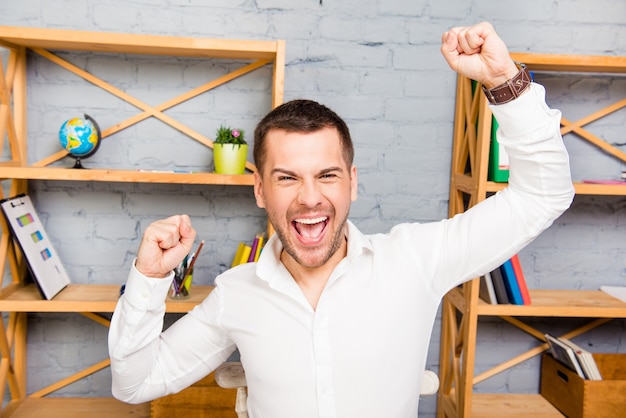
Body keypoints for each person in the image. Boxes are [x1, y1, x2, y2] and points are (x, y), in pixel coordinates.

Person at [109, 22, 574, 417]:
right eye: (287, 177)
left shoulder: (414, 259)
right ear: (259, 189)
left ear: (352, 182)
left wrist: (504, 82)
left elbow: (543, 194)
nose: (310, 198)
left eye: (327, 175)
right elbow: (135, 383)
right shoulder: (236, 292)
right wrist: (149, 278)